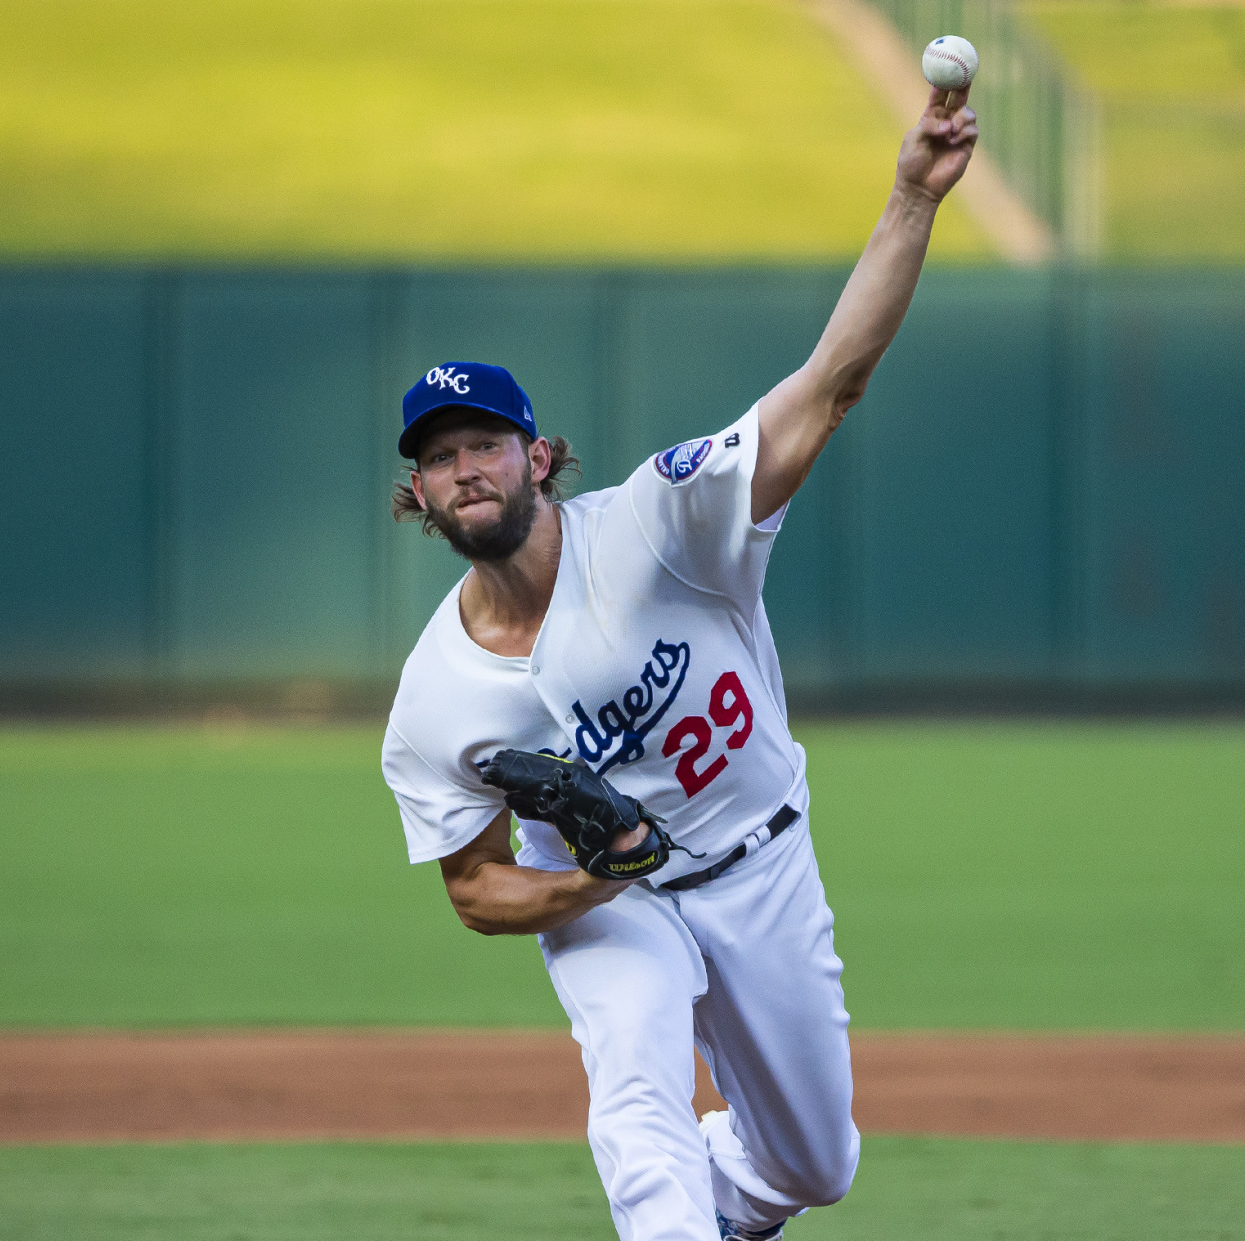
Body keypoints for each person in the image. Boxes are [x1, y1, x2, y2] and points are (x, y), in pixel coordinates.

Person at [378, 88, 978, 1240]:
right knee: (637, 1105)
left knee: (812, 1164)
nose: (465, 469)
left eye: (485, 444)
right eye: (440, 457)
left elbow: (830, 385)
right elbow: (475, 888)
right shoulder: (435, 697)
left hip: (763, 863)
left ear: (538, 455)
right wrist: (598, 878)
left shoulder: (661, 521)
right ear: (419, 495)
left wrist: (910, 197)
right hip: (617, 904)